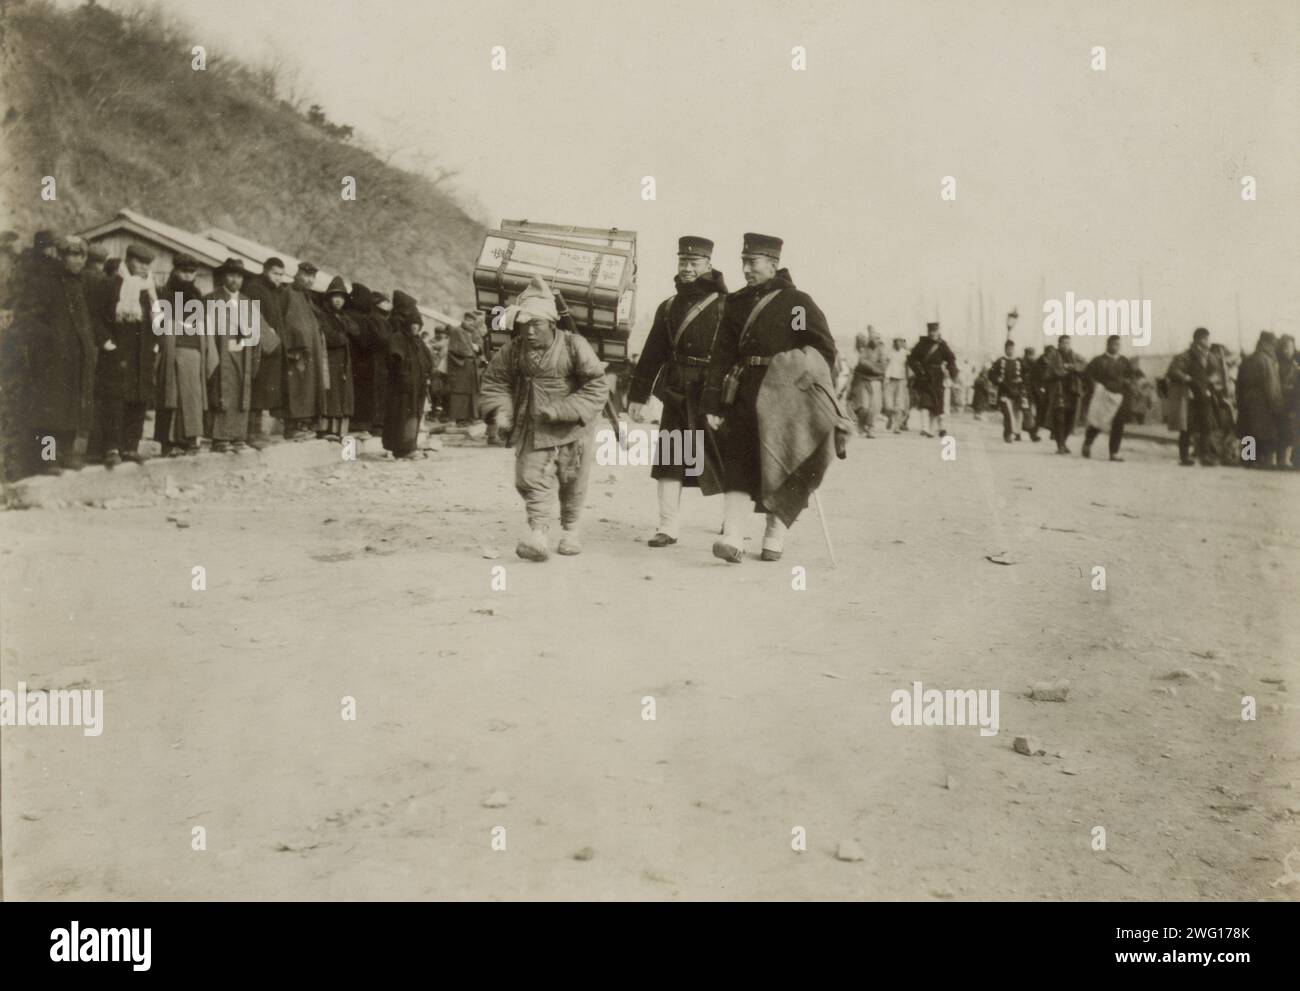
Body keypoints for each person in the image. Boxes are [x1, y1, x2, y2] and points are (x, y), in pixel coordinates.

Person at [701, 233, 843, 564]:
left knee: (783, 461)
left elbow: (822, 348)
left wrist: (805, 376)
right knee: (737, 460)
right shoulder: (736, 303)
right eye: (743, 262)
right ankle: (733, 537)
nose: (746, 269)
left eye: (752, 263)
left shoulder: (796, 303)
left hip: (786, 397)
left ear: (773, 264)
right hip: (744, 391)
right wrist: (712, 403)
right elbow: (721, 354)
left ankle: (774, 535)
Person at [479, 277, 609, 561]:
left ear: (551, 323)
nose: (529, 331)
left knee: (572, 478)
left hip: (572, 428)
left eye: (535, 324)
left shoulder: (575, 345)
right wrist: (501, 410)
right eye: (524, 325)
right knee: (529, 476)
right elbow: (495, 382)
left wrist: (562, 409)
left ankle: (571, 530)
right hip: (531, 424)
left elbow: (597, 386)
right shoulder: (512, 351)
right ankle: (538, 534)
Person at [627, 236, 728, 547]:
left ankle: (732, 521)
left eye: (693, 262)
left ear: (708, 264)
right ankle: (667, 527)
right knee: (671, 457)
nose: (686, 267)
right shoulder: (668, 306)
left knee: (724, 458)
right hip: (676, 390)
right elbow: (652, 353)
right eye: (682, 261)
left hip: (716, 391)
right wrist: (637, 396)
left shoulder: (728, 305)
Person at [12, 236, 98, 475]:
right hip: (51, 358)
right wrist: (48, 342)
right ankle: (47, 459)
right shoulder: (45, 283)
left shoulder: (82, 283)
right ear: (61, 256)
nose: (77, 260)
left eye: (81, 255)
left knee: (72, 407)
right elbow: (29, 319)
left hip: (77, 355)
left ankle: (66, 454)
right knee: (50, 409)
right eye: (72, 255)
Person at [93, 243, 159, 467]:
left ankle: (131, 447)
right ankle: (111, 448)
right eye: (140, 262)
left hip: (142, 354)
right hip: (118, 353)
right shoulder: (111, 285)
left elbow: (156, 319)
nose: (144, 267)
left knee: (138, 400)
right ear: (128, 260)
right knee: (115, 400)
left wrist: (155, 343)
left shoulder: (149, 290)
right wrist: (106, 342)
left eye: (147, 264)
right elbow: (96, 317)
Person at [154, 253, 216, 456]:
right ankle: (169, 442)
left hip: (195, 348)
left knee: (193, 397)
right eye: (184, 271)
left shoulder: (197, 294)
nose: (188, 276)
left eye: (192, 272)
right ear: (175, 270)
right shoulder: (164, 292)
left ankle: (190, 438)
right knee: (173, 395)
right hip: (173, 347)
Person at [205, 258, 259, 453]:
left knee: (241, 394)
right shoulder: (211, 299)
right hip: (220, 353)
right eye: (231, 275)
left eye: (239, 276)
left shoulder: (247, 302)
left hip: (243, 352)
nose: (235, 279)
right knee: (222, 392)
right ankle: (220, 439)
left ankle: (238, 437)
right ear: (223, 277)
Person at [381, 290, 434, 459]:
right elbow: (394, 360)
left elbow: (429, 361)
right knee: (401, 417)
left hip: (416, 388)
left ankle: (410, 446)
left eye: (418, 324)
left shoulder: (418, 342)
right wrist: (404, 375)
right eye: (412, 324)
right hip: (401, 388)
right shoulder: (398, 338)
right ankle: (402, 449)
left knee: (413, 417)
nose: (415, 327)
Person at [244, 257, 287, 446]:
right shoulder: (255, 288)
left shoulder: (275, 293)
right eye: (274, 273)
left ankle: (260, 431)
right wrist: (269, 337)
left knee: (266, 390)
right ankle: (252, 433)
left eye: (281, 274)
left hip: (272, 347)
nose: (278, 278)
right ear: (265, 270)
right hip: (258, 346)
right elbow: (253, 318)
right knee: (257, 389)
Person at [281, 262, 327, 440]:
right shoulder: (288, 294)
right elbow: (284, 321)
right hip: (296, 352)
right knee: (296, 389)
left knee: (308, 388)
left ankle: (304, 425)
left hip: (310, 354)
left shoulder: (307, 297)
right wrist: (293, 346)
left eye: (312, 277)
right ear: (297, 275)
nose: (309, 280)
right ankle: (292, 427)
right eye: (306, 276)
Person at [1163, 327, 1217, 466]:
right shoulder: (1186, 356)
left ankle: (1205, 456)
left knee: (1207, 425)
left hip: (1204, 395)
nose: (1207, 341)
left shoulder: (1209, 356)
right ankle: (1184, 456)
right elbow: (1173, 371)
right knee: (1187, 426)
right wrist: (1188, 379)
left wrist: (1210, 381)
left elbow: (1214, 371)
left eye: (1207, 338)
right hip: (1189, 396)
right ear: (1198, 340)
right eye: (1205, 339)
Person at [314, 275, 356, 440]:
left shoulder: (344, 317)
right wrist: (344, 337)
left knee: (342, 394)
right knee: (331, 392)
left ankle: (338, 430)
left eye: (341, 297)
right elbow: (330, 337)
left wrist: (344, 332)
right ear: (329, 298)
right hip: (329, 359)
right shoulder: (323, 315)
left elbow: (356, 331)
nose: (338, 300)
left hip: (343, 360)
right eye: (335, 296)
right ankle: (326, 429)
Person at [1236, 331, 1284, 469]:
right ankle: (1264, 462)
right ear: (1266, 344)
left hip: (1246, 402)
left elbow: (1238, 384)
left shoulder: (1247, 360)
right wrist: (1278, 406)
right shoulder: (1266, 361)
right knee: (1264, 433)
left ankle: (1248, 460)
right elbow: (1272, 386)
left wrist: (1240, 401)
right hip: (1262, 405)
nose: (1274, 347)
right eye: (1272, 344)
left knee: (1248, 431)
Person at [1082, 334, 1133, 461]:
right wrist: (1094, 385)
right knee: (1099, 421)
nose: (1116, 347)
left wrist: (1128, 381)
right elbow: (1087, 375)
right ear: (1108, 345)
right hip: (1103, 394)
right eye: (1114, 344)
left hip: (1120, 396)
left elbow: (1131, 376)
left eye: (1118, 344)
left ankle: (1114, 452)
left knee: (1118, 424)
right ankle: (1088, 442)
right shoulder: (1098, 360)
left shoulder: (1124, 361)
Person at [906, 321, 958, 437]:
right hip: (924, 376)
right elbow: (911, 359)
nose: (933, 333)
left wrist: (952, 373)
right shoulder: (922, 344)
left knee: (938, 402)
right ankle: (925, 428)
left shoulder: (942, 345)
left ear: (938, 331)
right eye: (931, 331)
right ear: (928, 332)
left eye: (935, 331)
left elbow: (951, 359)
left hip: (938, 377)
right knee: (925, 402)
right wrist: (919, 370)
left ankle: (940, 428)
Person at [1043, 335, 1086, 454]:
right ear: (1059, 344)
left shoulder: (1075, 356)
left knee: (1070, 419)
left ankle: (1063, 442)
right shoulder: (1053, 356)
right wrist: (1062, 371)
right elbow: (1048, 373)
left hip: (1072, 390)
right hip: (1059, 391)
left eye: (1068, 343)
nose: (1066, 345)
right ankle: (1060, 445)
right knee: (1059, 418)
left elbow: (1084, 366)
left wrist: (1071, 367)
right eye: (1064, 343)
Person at [446, 311, 484, 425]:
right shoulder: (457, 331)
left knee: (472, 391)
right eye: (469, 320)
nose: (471, 323)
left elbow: (480, 346)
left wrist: (476, 347)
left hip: (472, 366)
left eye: (472, 321)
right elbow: (454, 348)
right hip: (461, 365)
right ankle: (457, 417)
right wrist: (469, 350)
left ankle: (471, 416)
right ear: (465, 319)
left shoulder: (475, 332)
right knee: (459, 390)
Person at [847, 327, 885, 438]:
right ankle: (861, 425)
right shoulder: (864, 350)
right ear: (870, 339)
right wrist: (874, 368)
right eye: (874, 338)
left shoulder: (882, 350)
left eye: (878, 338)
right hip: (863, 380)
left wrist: (872, 367)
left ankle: (870, 428)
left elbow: (883, 366)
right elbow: (862, 362)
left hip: (876, 381)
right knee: (863, 407)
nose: (876, 340)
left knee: (875, 407)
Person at [987, 339, 1026, 443]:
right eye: (1008, 349)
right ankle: (1009, 434)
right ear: (1005, 349)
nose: (1010, 351)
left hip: (1017, 392)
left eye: (1012, 349)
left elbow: (1028, 373)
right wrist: (997, 379)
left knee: (1017, 414)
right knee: (1008, 414)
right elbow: (990, 374)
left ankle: (1016, 432)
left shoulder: (1019, 361)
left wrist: (1021, 379)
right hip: (1004, 392)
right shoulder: (1000, 361)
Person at [1276, 334, 1296, 469]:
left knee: (1289, 432)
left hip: (1290, 401)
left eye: (1290, 347)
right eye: (1285, 347)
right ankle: (1283, 460)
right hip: (1283, 401)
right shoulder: (1279, 364)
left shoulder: (1293, 364)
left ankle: (1285, 459)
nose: (1287, 350)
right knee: (1285, 432)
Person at [884, 336, 909, 433]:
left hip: (901, 380)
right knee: (889, 404)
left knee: (899, 404)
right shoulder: (889, 353)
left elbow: (908, 366)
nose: (898, 344)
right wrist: (885, 377)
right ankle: (890, 418)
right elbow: (886, 364)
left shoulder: (906, 353)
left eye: (900, 342)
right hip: (890, 379)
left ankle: (896, 426)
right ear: (894, 343)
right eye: (896, 342)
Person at [1020, 346, 1040, 440]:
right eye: (1030, 354)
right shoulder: (1022, 363)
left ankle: (1022, 431)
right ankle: (1032, 434)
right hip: (1023, 391)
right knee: (1026, 412)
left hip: (1030, 392)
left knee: (1028, 412)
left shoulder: (1034, 364)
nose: (1032, 356)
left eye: (1032, 354)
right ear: (1026, 354)